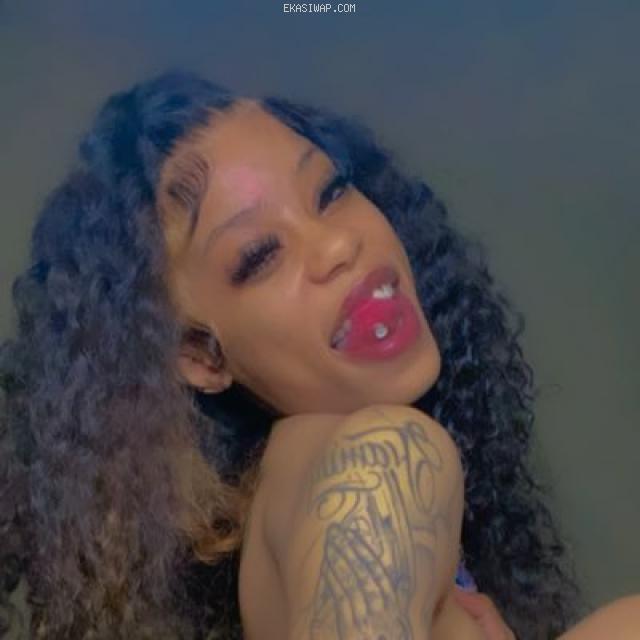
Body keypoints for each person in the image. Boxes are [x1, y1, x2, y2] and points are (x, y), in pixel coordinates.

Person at [0, 69, 633, 639]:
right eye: (260, 255)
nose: (337, 246)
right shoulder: (382, 459)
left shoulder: (288, 497)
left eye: (331, 192)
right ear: (202, 356)